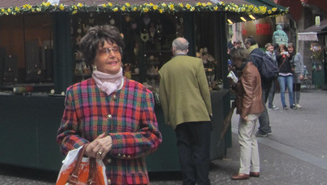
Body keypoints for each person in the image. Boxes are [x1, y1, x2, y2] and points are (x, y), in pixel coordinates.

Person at [57, 25, 162, 185]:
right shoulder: (76, 93)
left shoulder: (141, 93)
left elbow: (152, 138)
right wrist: (85, 148)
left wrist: (114, 142)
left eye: (115, 49)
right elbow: (65, 136)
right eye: (104, 51)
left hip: (131, 180)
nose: (113, 55)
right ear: (92, 60)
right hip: (91, 180)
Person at [159, 37, 212, 185]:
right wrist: (208, 110)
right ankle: (202, 181)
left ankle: (188, 181)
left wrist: (168, 117)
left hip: (179, 116)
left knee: (184, 149)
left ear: (173, 49)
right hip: (199, 113)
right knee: (201, 151)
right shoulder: (196, 63)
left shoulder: (165, 69)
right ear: (187, 49)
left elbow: (164, 97)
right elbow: (204, 90)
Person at [229, 47, 264, 180]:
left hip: (250, 109)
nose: (234, 62)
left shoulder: (248, 71)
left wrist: (244, 112)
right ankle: (255, 168)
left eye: (234, 60)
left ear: (239, 58)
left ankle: (244, 170)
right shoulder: (251, 68)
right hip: (256, 108)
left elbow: (248, 95)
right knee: (251, 138)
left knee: (244, 138)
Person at [244, 38, 272, 137]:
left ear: (249, 44)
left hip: (260, 83)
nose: (245, 46)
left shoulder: (253, 55)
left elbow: (253, 71)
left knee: (261, 105)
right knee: (262, 104)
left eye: (245, 43)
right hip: (267, 81)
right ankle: (265, 127)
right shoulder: (261, 52)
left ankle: (264, 129)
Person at [276, 44, 295, 110]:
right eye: (281, 49)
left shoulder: (288, 55)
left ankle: (291, 104)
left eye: (284, 49)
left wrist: (289, 55)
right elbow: (276, 59)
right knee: (282, 89)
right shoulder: (278, 56)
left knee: (290, 89)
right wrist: (280, 55)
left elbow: (291, 58)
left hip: (289, 73)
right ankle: (284, 105)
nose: (283, 50)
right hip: (281, 74)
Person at [289, 43, 304, 108]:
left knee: (297, 87)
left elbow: (301, 64)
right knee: (292, 88)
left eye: (291, 48)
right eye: (289, 48)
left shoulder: (298, 55)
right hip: (291, 73)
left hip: (297, 72)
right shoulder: (288, 55)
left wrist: (301, 73)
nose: (290, 49)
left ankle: (297, 102)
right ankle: (293, 102)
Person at [264, 44, 278, 109]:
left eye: (272, 46)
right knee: (270, 90)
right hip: (269, 74)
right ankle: (269, 104)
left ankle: (270, 103)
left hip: (274, 74)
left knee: (273, 90)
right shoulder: (266, 56)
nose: (271, 47)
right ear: (267, 48)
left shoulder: (274, 55)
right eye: (269, 46)